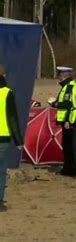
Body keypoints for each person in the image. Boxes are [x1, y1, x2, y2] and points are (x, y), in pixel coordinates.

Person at [0, 65, 23, 212]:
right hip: (3, 138)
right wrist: (19, 140)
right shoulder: (7, 93)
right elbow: (12, 118)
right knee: (1, 170)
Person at [49, 66, 76, 176]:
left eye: (59, 76)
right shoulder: (66, 86)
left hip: (68, 121)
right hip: (67, 120)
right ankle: (68, 167)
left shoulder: (69, 87)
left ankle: (69, 169)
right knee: (67, 145)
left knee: (68, 146)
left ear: (64, 76)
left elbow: (68, 103)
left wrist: (55, 104)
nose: (58, 79)